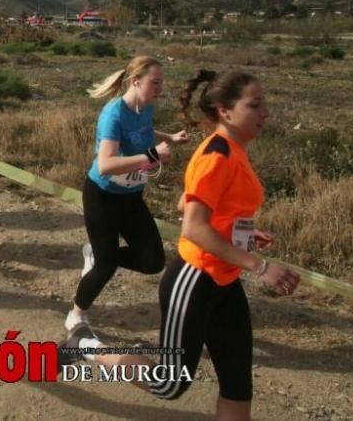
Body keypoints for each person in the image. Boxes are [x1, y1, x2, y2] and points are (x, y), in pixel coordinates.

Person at [59, 70, 300, 421]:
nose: (266, 113)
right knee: (169, 384)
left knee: (237, 383)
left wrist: (239, 232)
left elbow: (186, 202)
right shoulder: (216, 154)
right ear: (225, 111)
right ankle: (84, 344)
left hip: (224, 281)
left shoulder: (234, 150)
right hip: (194, 279)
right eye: (255, 104)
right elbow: (192, 226)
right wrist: (260, 266)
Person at [65, 56, 190, 332]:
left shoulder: (144, 108)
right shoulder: (113, 113)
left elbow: (142, 131)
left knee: (153, 261)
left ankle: (99, 254)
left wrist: (168, 137)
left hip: (131, 197)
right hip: (103, 196)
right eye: (155, 82)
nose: (160, 88)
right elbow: (105, 165)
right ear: (136, 81)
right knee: (106, 267)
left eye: (162, 83)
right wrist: (153, 154)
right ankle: (77, 313)